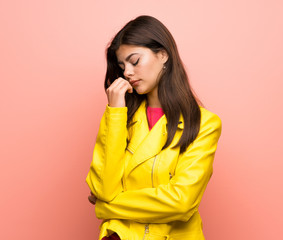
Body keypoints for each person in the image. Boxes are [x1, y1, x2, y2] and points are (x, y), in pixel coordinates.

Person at [86, 15, 222, 240]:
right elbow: (104, 188)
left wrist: (106, 207)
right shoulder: (118, 115)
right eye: (122, 66)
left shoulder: (204, 124)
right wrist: (116, 112)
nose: (127, 73)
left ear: (163, 55)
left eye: (135, 61)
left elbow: (181, 203)